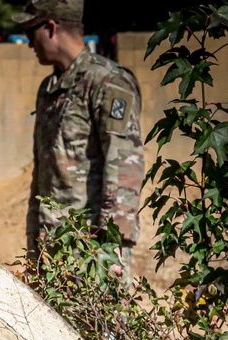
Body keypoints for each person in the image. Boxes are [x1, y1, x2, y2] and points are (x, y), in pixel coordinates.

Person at [16, 0, 144, 283]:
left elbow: (124, 167)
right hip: (52, 248)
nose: (28, 44)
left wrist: (111, 245)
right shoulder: (50, 89)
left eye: (29, 33)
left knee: (98, 328)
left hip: (92, 251)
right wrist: (34, 246)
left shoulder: (108, 82)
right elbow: (44, 173)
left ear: (50, 28)